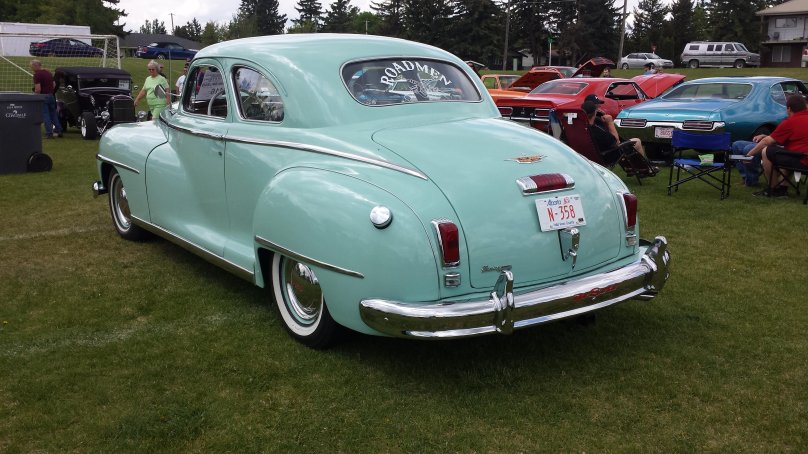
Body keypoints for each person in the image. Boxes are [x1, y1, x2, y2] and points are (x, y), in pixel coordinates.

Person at [745, 94, 808, 197]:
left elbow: (767, 142)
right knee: (785, 152)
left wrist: (749, 155)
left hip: (803, 161)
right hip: (802, 156)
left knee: (766, 151)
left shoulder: (790, 122)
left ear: (789, 108)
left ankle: (773, 188)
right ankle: (783, 189)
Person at [582, 96, 648, 159]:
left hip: (587, 156)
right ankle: (645, 169)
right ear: (595, 111)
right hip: (608, 154)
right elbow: (617, 142)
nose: (599, 107)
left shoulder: (580, 128)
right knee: (637, 141)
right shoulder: (597, 129)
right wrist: (610, 122)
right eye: (596, 106)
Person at [31, 59, 62, 139]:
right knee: (53, 114)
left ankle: (49, 133)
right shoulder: (48, 72)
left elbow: (38, 89)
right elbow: (54, 84)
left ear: (35, 66)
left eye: (32, 66)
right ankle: (59, 130)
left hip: (43, 97)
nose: (31, 68)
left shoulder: (37, 75)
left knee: (46, 115)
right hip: (51, 96)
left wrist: (34, 95)